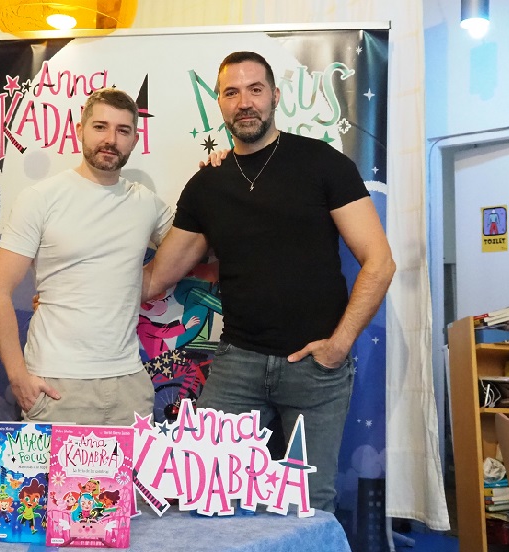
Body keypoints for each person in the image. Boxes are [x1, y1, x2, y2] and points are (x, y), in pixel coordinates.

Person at [142, 51, 396, 512]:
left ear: (275, 96)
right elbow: (157, 277)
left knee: (309, 505)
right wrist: (70, 291)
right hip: (238, 366)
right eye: (231, 92)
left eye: (255, 89)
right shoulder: (207, 185)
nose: (245, 102)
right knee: (207, 494)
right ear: (220, 103)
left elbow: (379, 262)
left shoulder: (323, 163)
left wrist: (338, 346)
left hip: (316, 369)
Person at [0, 87, 172, 426]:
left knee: (134, 467)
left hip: (128, 386)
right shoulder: (41, 198)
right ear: (79, 130)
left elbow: (195, 244)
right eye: (100, 127)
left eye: (123, 130)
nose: (110, 139)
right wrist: (18, 376)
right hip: (57, 385)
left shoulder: (146, 203)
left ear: (134, 140)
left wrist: (219, 169)